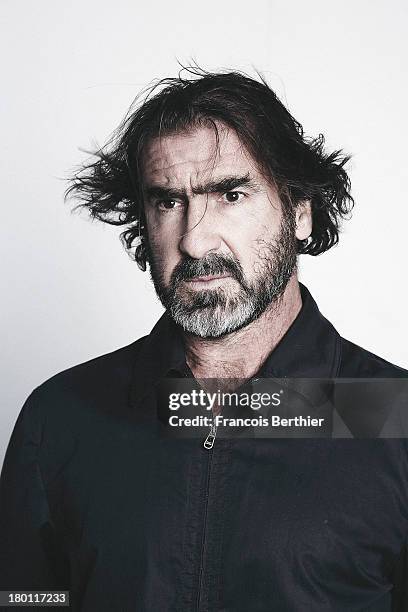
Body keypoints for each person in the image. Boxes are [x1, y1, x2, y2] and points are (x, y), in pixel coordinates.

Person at [1, 68, 407, 611]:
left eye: (231, 194)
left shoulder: (392, 415)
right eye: (167, 203)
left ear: (300, 211)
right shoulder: (64, 415)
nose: (193, 238)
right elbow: (25, 598)